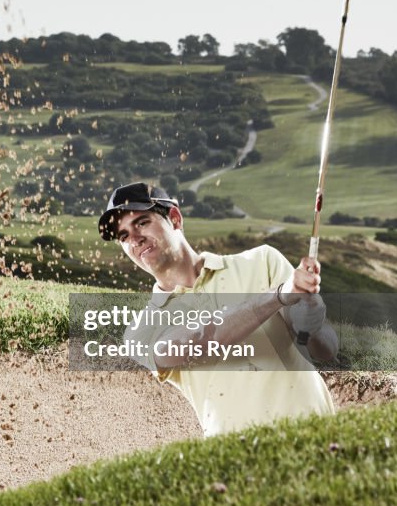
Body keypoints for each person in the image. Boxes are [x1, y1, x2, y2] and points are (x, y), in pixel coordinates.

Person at [98, 181, 338, 437]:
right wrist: (278, 296)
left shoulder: (262, 261)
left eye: (142, 222)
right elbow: (201, 341)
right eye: (123, 236)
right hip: (236, 458)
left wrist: (312, 324)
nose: (134, 239)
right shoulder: (139, 332)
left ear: (175, 219)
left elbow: (326, 349)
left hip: (315, 434)